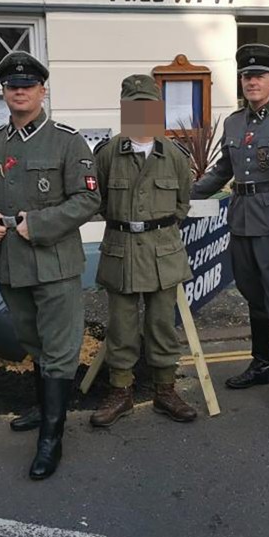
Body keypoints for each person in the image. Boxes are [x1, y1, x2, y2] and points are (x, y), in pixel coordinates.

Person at [0, 51, 100, 479]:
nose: (19, 91)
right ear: (4, 92)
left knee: (60, 351)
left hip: (55, 262)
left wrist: (39, 224)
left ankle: (52, 436)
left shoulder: (67, 140)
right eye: (11, 85)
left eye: (28, 85)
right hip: (10, 263)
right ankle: (42, 406)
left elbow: (88, 199)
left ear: (43, 91)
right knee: (33, 343)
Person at [191, 45, 269, 409]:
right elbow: (224, 171)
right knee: (253, 296)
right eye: (246, 76)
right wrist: (185, 194)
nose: (252, 82)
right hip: (240, 221)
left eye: (259, 76)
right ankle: (261, 364)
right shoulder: (233, 123)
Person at [90, 74, 196, 427]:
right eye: (134, 106)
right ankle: (121, 390)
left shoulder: (175, 156)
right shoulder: (107, 154)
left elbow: (182, 204)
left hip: (163, 252)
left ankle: (165, 389)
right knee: (121, 327)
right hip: (121, 250)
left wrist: (155, 228)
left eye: (147, 106)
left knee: (162, 325)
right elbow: (99, 202)